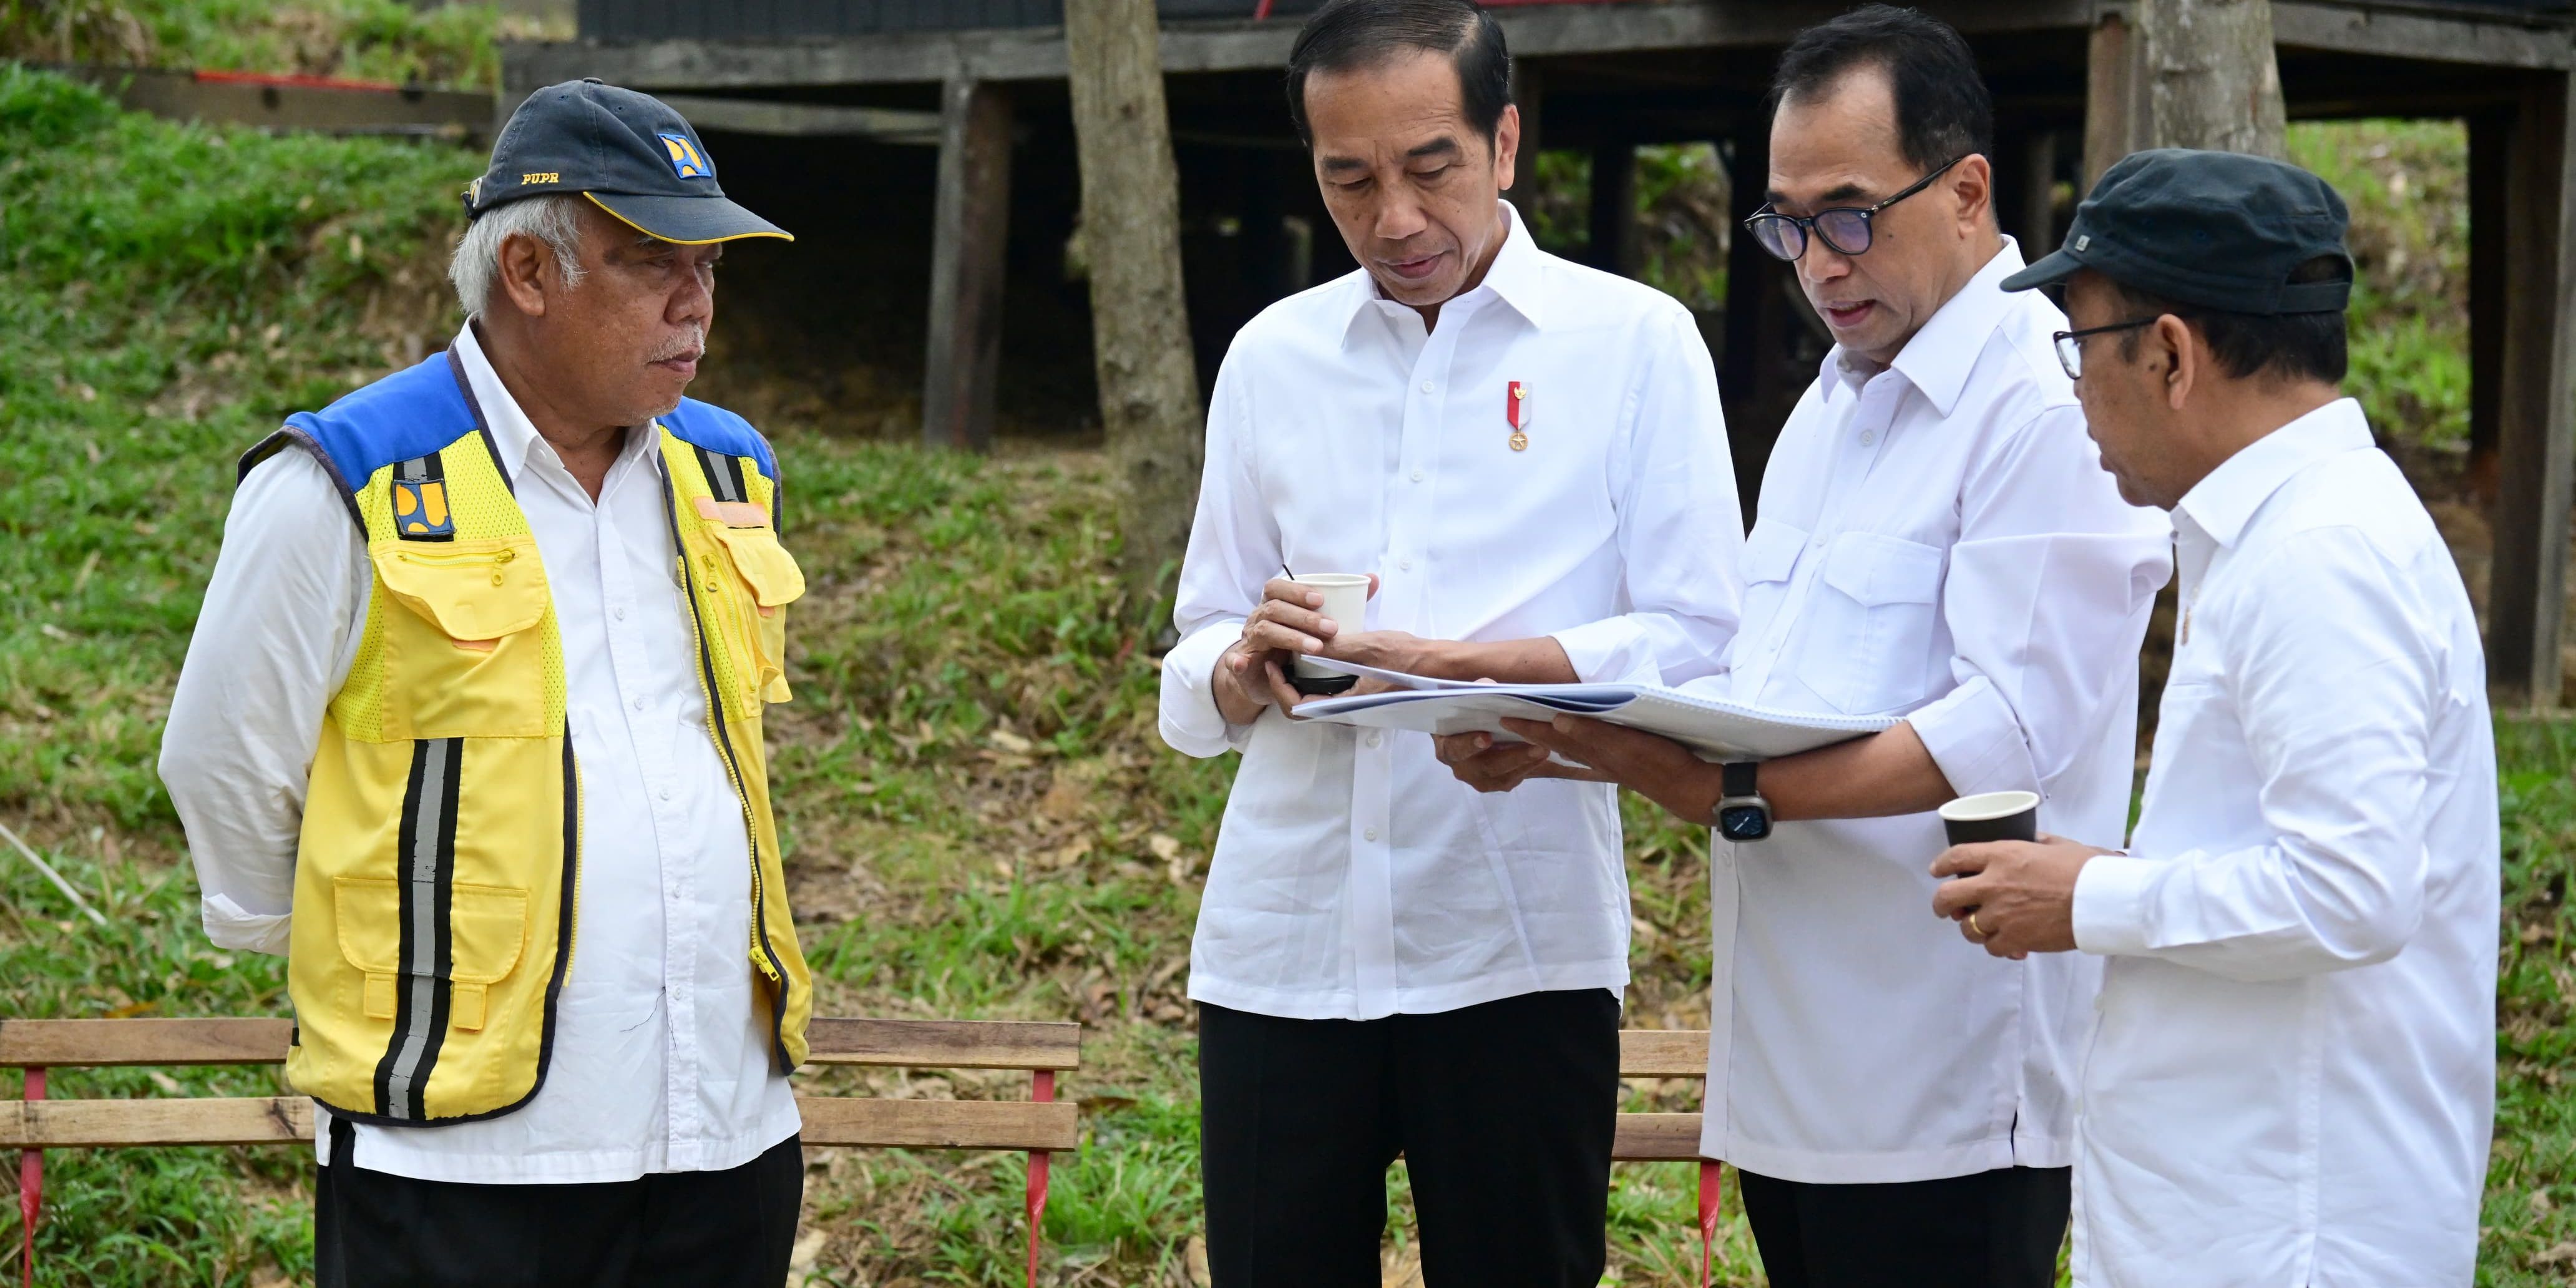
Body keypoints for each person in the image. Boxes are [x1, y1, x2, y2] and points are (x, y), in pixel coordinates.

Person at [1439, 9, 2172, 1286]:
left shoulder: (2039, 407)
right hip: (1789, 1072)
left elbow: (2009, 726)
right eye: (1786, 223)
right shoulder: (1831, 409)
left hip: (1947, 1087)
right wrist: (1564, 739)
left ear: (1965, 191)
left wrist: (1733, 792)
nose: (1818, 263)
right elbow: (1757, 692)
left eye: (1848, 214)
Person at [159, 80, 814, 1286]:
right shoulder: (345, 479)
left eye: (712, 268)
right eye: (650, 263)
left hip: (722, 1128)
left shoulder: (731, 468)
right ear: (527, 270)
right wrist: (372, 959)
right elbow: (223, 759)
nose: (697, 304)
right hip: (460, 1157)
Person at [1154, 1, 1744, 1282]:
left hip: (1515, 940)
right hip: (1284, 946)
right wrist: (1238, 663)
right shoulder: (1274, 355)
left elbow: (1703, 632)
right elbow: (1199, 635)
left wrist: (1500, 672)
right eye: (1348, 180)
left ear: (1508, 143)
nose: (1396, 220)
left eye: (1431, 168)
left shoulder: (1634, 344)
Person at [1934, 147, 2499, 1287]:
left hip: (2289, 1230)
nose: (2073, 387)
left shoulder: (2318, 556)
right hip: (2232, 1213)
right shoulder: (2276, 531)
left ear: (2172, 354)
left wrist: (2087, 894)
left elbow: (2351, 892)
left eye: (2080, 346)